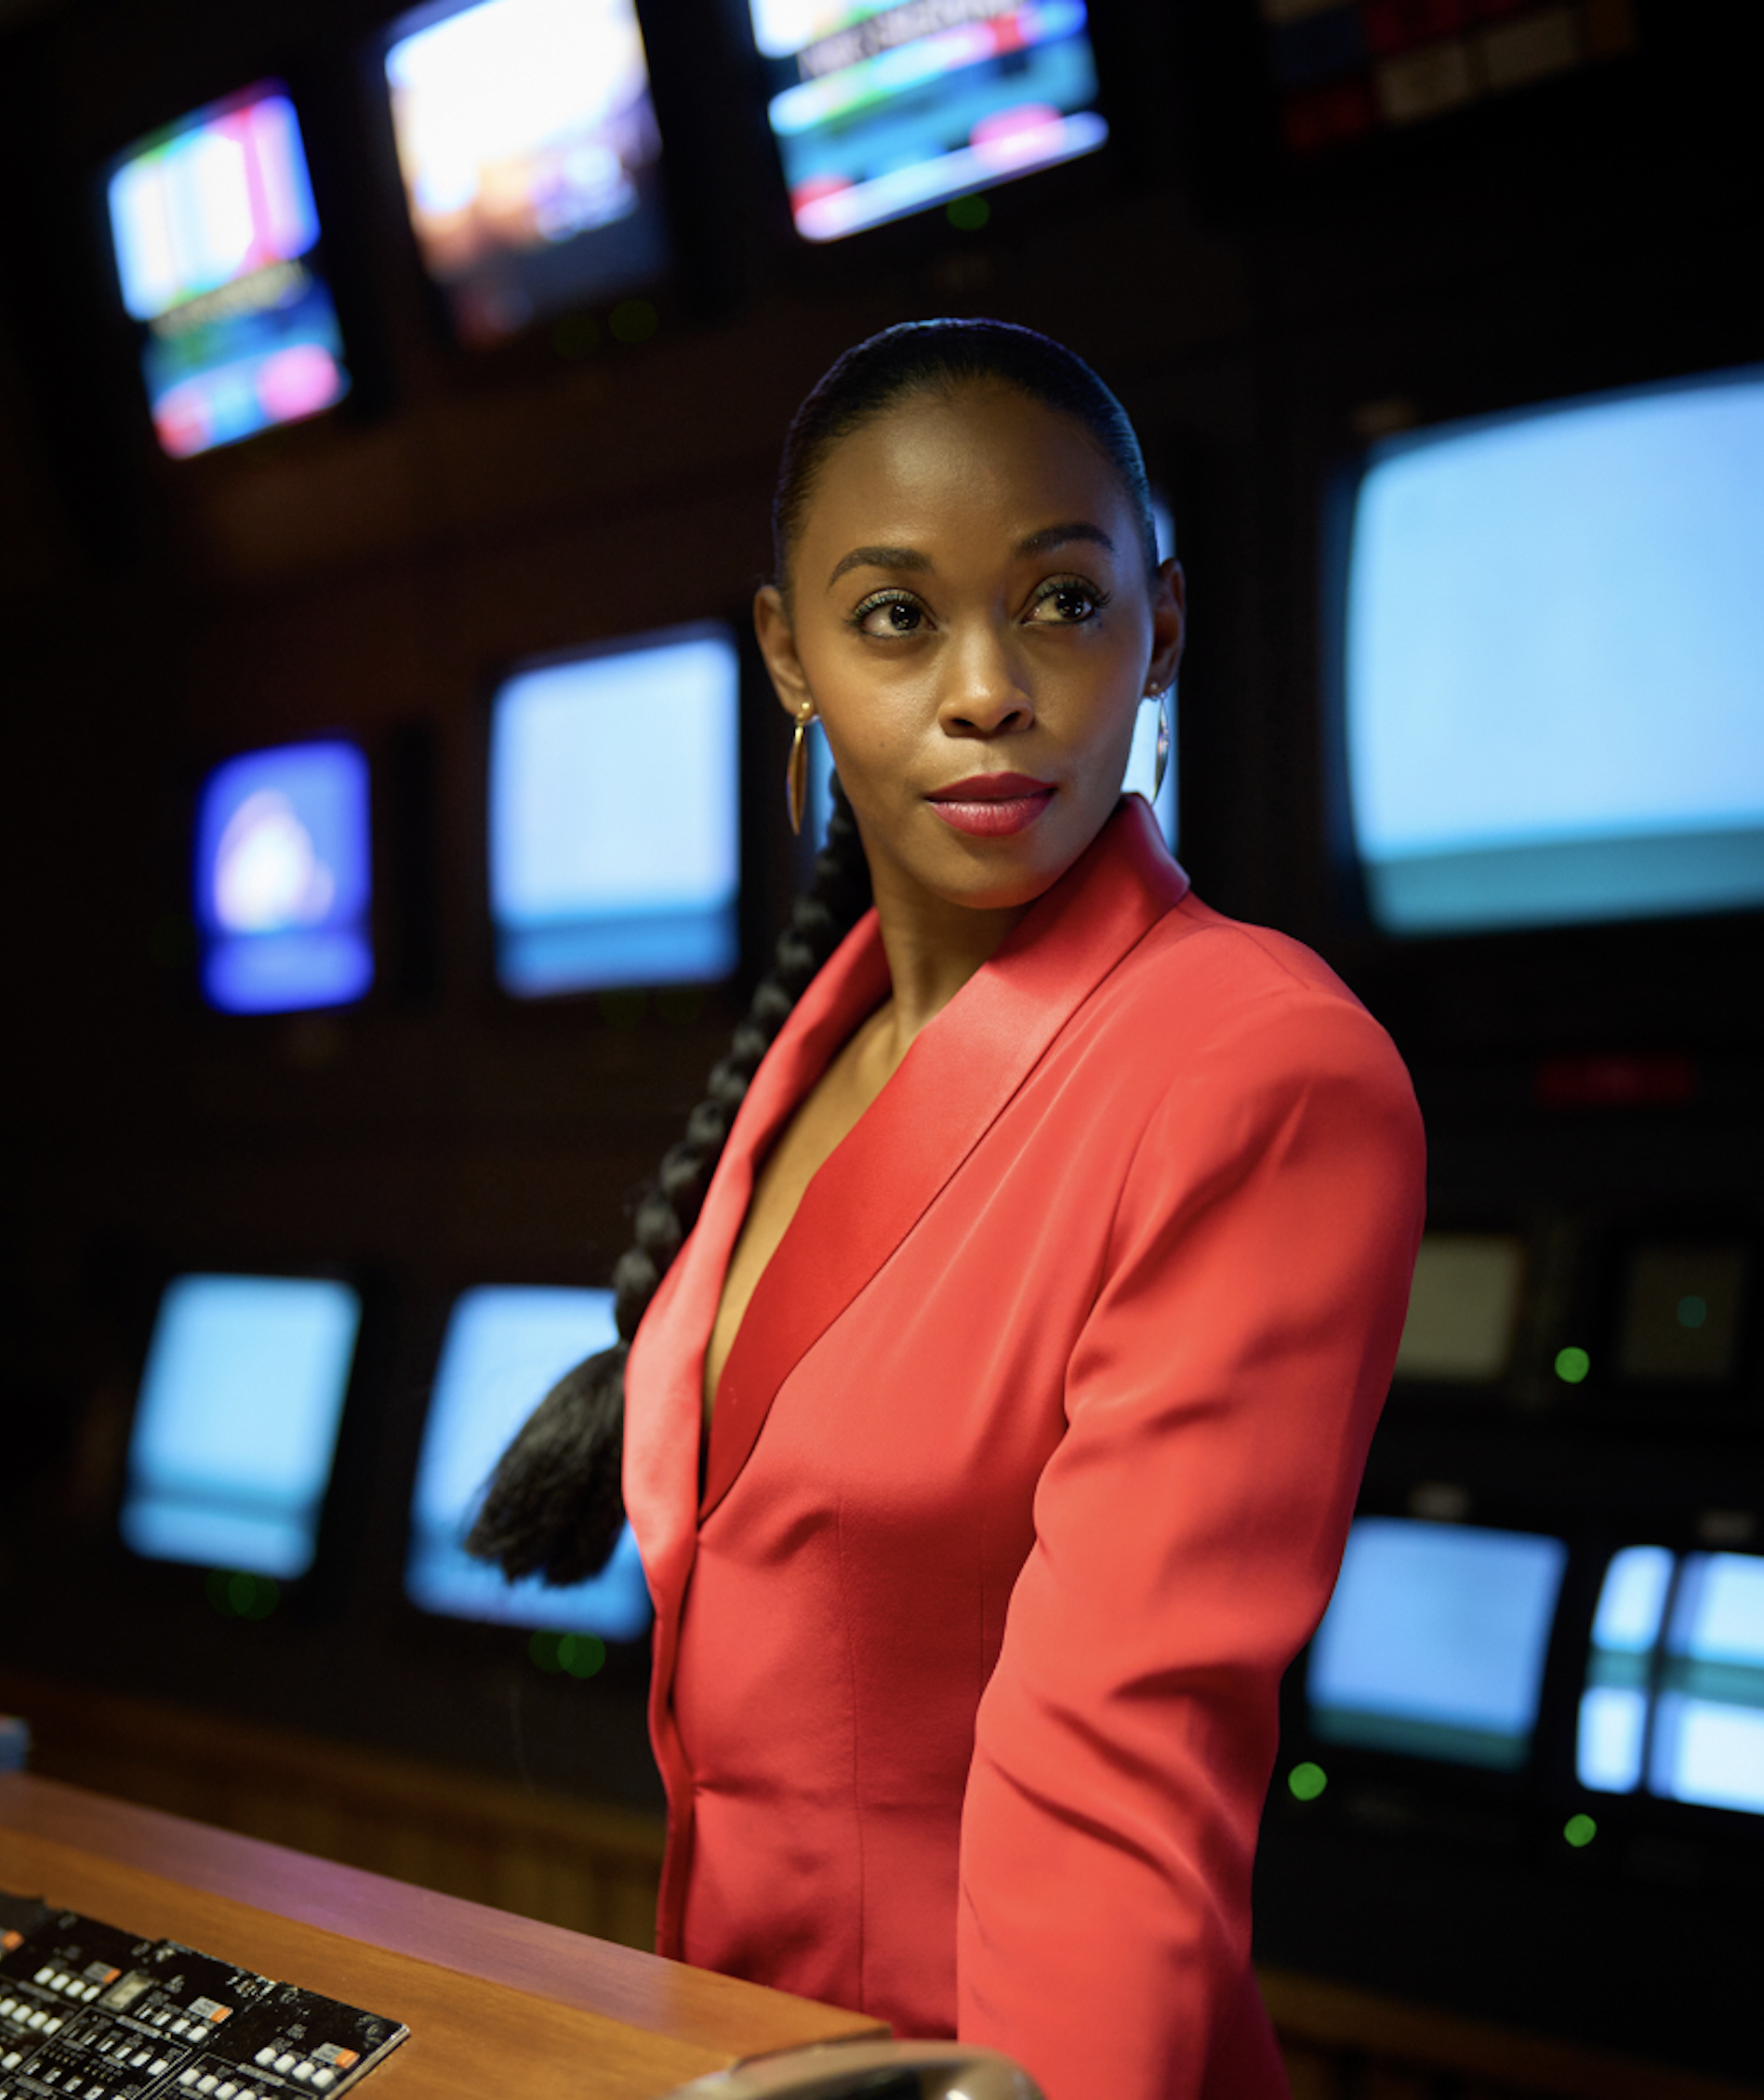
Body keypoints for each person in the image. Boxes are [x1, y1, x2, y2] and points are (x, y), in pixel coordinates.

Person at [470, 319, 1426, 2100]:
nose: (986, 685)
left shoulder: (1259, 1067)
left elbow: (1114, 1780)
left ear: (1165, 624)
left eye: (1062, 602)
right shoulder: (807, 1048)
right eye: (898, 615)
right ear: (791, 654)